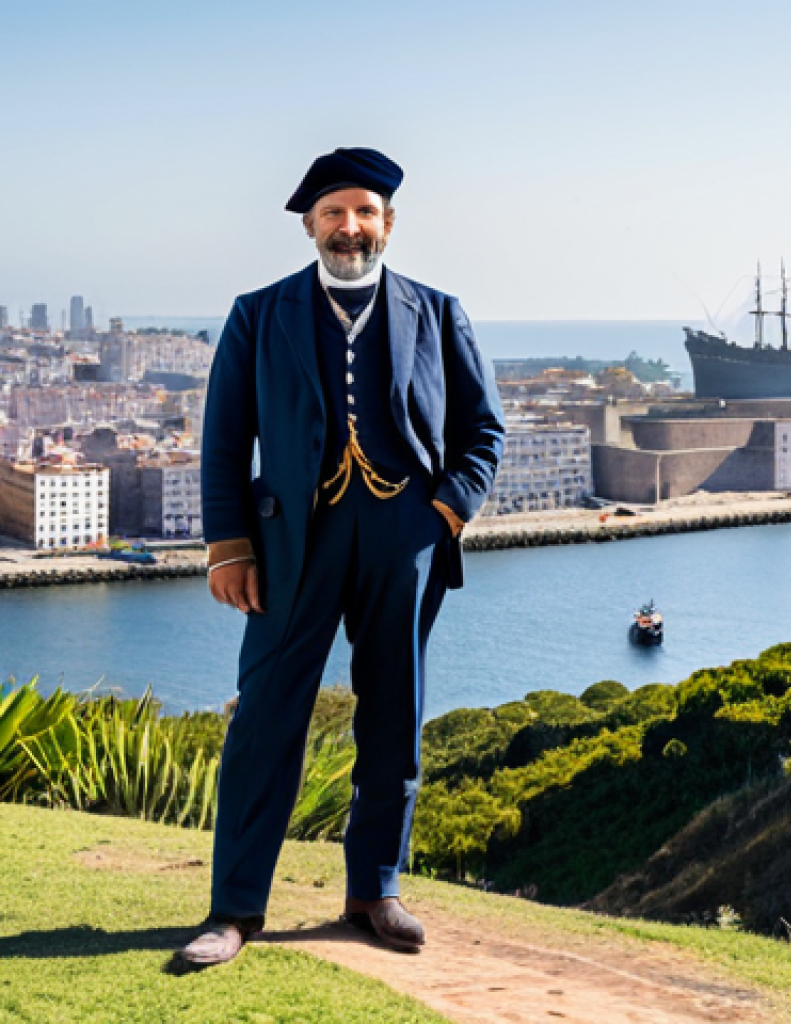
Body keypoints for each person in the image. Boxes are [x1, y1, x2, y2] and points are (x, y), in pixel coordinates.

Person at [178, 147, 504, 965]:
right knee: (265, 719)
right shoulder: (258, 313)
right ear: (310, 226)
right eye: (333, 214)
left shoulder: (438, 311)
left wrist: (443, 515)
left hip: (404, 542)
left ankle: (375, 892)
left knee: (394, 714)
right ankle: (234, 909)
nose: (349, 227)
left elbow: (483, 433)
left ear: (387, 224)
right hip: (292, 546)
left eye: (363, 212)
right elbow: (224, 440)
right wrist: (228, 547)